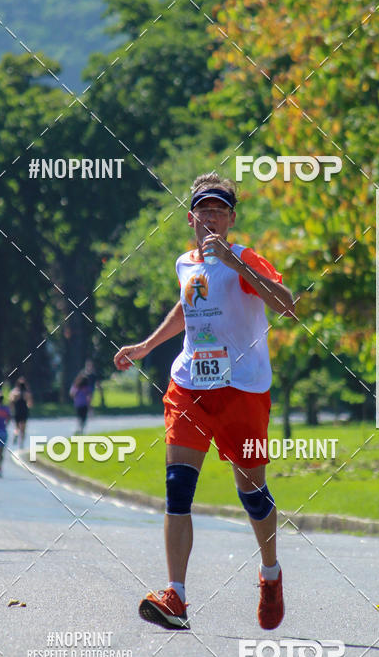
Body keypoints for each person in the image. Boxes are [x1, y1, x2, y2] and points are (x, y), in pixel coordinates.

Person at [114, 173, 295, 631]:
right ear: (190, 217)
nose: (210, 217)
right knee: (177, 490)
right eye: (203, 209)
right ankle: (176, 595)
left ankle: (270, 575)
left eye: (219, 209)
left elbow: (287, 304)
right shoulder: (184, 264)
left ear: (232, 218)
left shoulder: (245, 259)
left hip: (243, 390)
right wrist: (146, 346)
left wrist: (239, 269)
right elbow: (186, 307)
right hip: (190, 386)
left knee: (252, 494)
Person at [10, 376, 33, 447]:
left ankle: (16, 434)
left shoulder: (14, 392)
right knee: (23, 429)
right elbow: (30, 404)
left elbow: (11, 402)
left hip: (17, 411)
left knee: (16, 427)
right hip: (24, 411)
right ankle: (21, 443)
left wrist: (12, 410)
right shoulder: (27, 393)